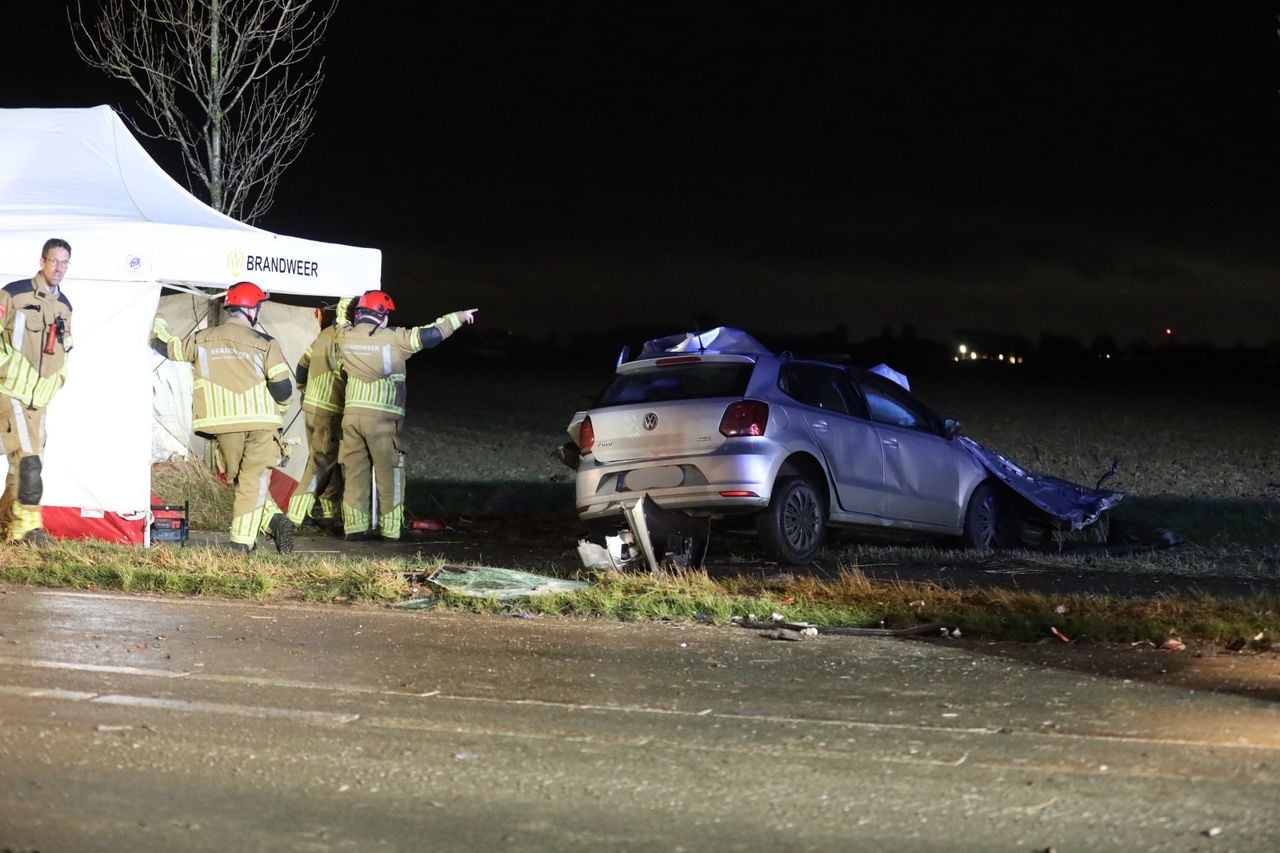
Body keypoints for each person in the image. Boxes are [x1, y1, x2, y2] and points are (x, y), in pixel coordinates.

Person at [151, 281, 296, 554]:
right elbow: (282, 388)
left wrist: (155, 322)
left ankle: (272, 522)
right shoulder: (265, 343)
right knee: (251, 481)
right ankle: (244, 541)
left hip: (223, 425)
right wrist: (282, 411)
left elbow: (169, 348)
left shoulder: (203, 338)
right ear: (253, 310)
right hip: (261, 424)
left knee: (240, 480)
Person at [335, 291, 477, 540]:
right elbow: (431, 335)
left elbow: (341, 317)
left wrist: (349, 299)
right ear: (381, 315)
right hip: (382, 421)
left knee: (355, 473)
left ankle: (354, 529)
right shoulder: (394, 339)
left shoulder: (343, 336)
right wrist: (459, 316)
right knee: (390, 472)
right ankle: (390, 530)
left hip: (351, 417)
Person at [0, 238, 75, 544]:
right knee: (29, 458)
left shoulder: (65, 307)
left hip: (39, 401)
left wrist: (58, 381)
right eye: (54, 261)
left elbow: (65, 348)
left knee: (26, 464)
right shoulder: (14, 294)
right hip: (10, 390)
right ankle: (29, 528)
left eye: (64, 263)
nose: (59, 268)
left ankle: (5, 526)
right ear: (42, 261)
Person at [286, 297, 352, 532]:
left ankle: (329, 512)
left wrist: (303, 389)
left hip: (312, 407)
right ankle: (295, 514)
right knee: (321, 461)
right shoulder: (348, 340)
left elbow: (302, 364)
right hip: (329, 411)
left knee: (327, 459)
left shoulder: (324, 335)